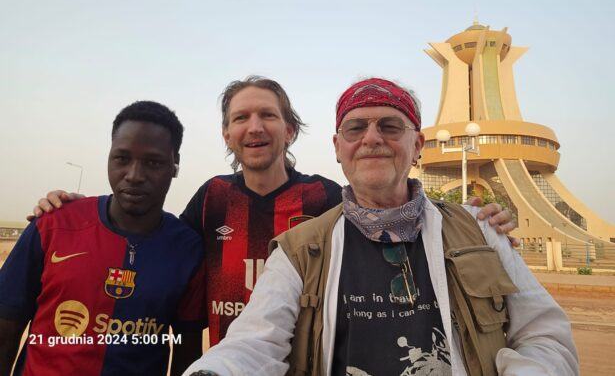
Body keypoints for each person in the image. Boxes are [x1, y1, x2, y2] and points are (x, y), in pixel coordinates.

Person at [29, 76, 515, 348]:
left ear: (291, 131)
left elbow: (400, 221)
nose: (254, 126)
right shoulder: (211, 197)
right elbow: (151, 235)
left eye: (268, 115)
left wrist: (478, 222)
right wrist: (74, 208)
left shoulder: (327, 198)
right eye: (241, 117)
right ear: (226, 135)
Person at [183, 78, 579, 376]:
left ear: (418, 144)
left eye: (390, 126)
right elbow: (255, 340)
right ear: (338, 147)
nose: (372, 139)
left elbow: (544, 334)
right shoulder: (299, 246)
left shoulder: (479, 232)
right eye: (355, 129)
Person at [0, 101, 206, 376]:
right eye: (122, 158)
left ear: (175, 165)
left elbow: (188, 353)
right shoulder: (53, 224)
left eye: (153, 162)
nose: (134, 175)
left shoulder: (187, 249)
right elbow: (6, 328)